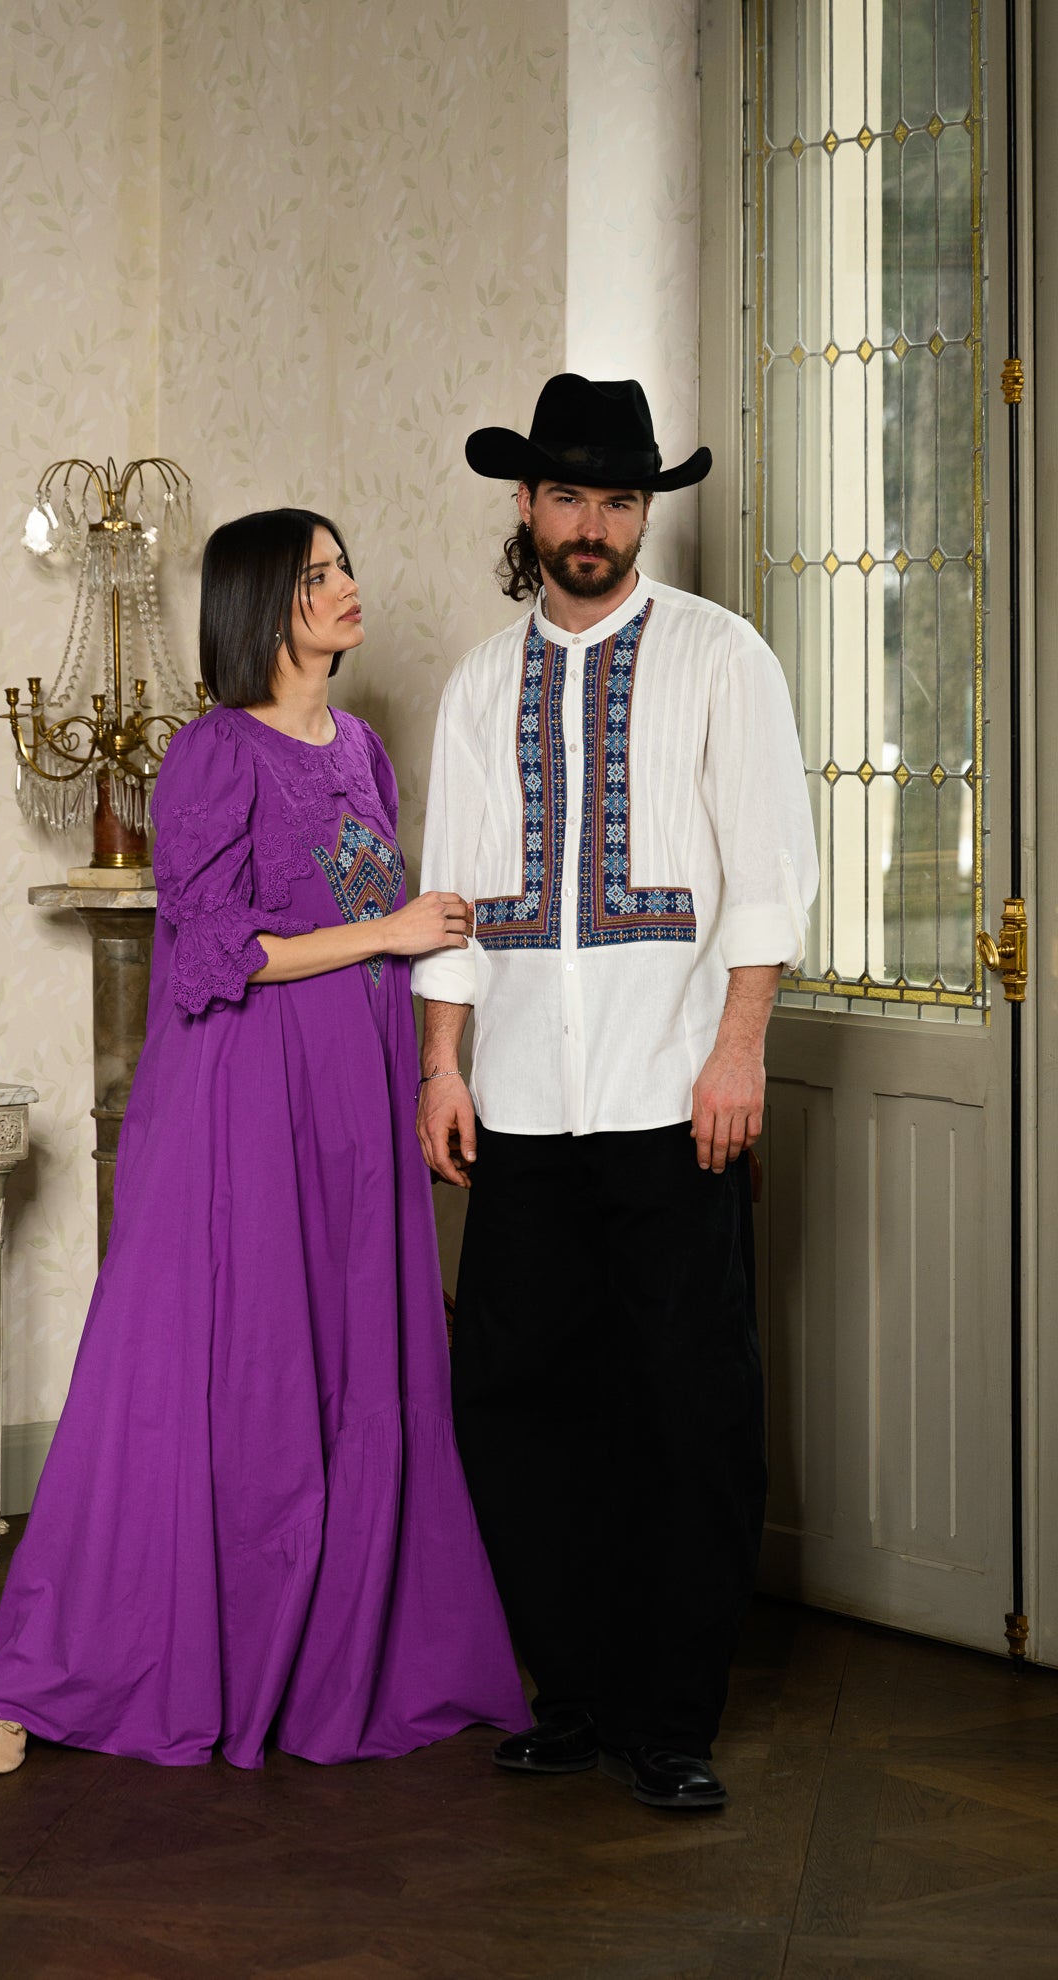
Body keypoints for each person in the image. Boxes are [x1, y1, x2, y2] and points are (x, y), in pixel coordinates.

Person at [0, 506, 528, 1775]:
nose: (346, 585)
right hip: (245, 1100)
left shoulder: (362, 750)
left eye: (344, 565)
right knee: (217, 1367)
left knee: (348, 1359)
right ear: (264, 603)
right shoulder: (213, 752)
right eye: (318, 574)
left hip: (353, 1103)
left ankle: (330, 1651)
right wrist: (389, 935)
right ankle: (48, 1674)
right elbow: (213, 951)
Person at [412, 375, 819, 1811]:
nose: (593, 524)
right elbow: (454, 897)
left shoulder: (720, 656)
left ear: (644, 514)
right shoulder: (480, 683)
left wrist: (738, 1048)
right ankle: (572, 1696)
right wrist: (444, 1064)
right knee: (519, 1404)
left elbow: (768, 875)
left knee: (687, 1409)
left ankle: (671, 1719)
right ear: (526, 507)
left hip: (671, 1095)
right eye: (569, 496)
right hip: (521, 1104)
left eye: (619, 500)